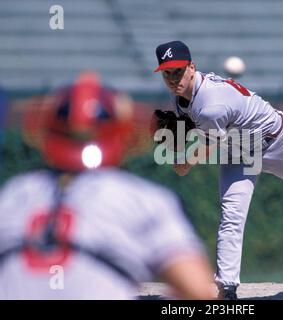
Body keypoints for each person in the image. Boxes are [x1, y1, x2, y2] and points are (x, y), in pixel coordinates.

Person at [154, 40, 283, 300]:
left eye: (178, 71)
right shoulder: (181, 97)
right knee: (232, 214)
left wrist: (184, 161)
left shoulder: (211, 104)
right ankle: (227, 287)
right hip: (238, 146)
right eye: (167, 73)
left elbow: (206, 145)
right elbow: (200, 127)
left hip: (275, 139)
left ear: (192, 68)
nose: (173, 78)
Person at [0, 71, 215, 300]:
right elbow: (199, 291)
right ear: (123, 134)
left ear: (47, 133)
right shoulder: (140, 198)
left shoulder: (14, 193)